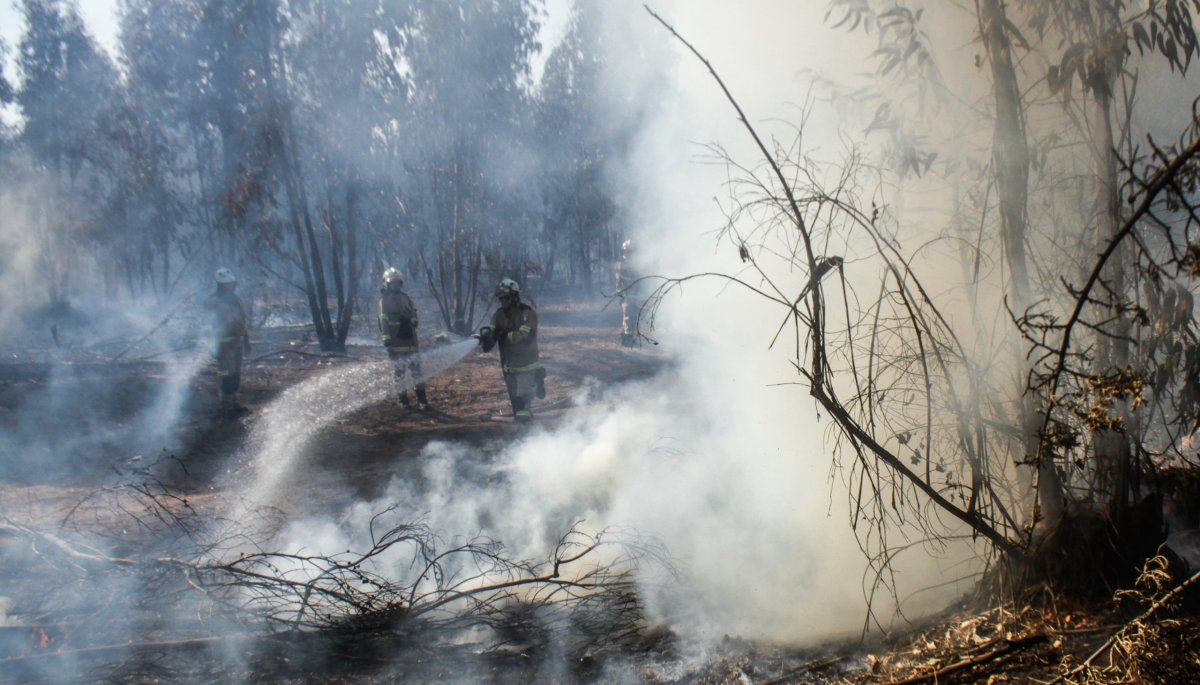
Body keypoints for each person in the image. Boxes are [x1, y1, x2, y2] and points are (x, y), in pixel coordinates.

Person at [478, 277, 543, 426]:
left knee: (523, 406)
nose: (503, 301)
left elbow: (526, 337)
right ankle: (526, 430)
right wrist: (487, 338)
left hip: (527, 367)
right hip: (510, 369)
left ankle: (525, 433)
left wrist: (505, 334)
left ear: (515, 296)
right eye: (501, 299)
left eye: (506, 298)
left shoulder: (527, 313)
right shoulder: (498, 315)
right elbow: (492, 337)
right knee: (517, 407)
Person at [378, 267, 430, 410]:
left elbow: (414, 314)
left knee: (417, 373)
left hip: (411, 342)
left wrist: (412, 320)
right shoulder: (384, 301)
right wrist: (387, 341)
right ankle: (403, 400)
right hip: (396, 343)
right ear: (387, 284)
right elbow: (383, 322)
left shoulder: (406, 298)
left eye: (397, 282)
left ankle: (422, 400)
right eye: (393, 283)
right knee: (399, 373)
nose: (396, 285)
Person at [203, 267, 251, 418]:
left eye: (233, 283)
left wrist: (246, 341)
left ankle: (233, 403)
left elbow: (242, 322)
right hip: (223, 347)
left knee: (235, 375)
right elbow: (207, 326)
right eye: (230, 284)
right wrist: (211, 346)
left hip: (237, 344)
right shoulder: (212, 303)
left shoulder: (235, 300)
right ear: (221, 285)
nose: (233, 286)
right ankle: (225, 406)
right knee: (225, 375)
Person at [614, 239, 641, 347]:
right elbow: (618, 282)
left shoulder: (636, 263)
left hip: (635, 295)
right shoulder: (621, 264)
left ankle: (630, 338)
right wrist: (622, 296)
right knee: (628, 317)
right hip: (627, 296)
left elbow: (639, 280)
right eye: (628, 251)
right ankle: (627, 340)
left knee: (633, 317)